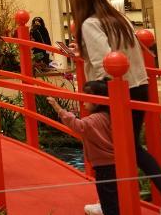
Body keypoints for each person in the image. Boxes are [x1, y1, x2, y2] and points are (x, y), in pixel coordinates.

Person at [68, 0, 161, 215]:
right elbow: (119, 53)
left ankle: (119, 202)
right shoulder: (119, 18)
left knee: (104, 151)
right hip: (138, 86)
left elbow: (105, 64)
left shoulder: (90, 24)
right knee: (130, 147)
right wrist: (83, 53)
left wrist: (93, 95)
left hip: (114, 91)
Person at [47, 81, 116, 215]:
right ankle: (104, 207)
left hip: (104, 164)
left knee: (108, 196)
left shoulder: (94, 120)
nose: (83, 100)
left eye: (87, 97)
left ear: (97, 100)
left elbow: (78, 125)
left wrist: (58, 108)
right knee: (110, 194)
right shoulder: (108, 115)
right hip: (111, 162)